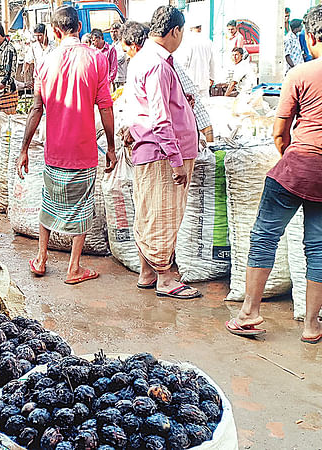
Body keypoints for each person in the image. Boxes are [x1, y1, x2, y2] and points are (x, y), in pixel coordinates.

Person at [226, 5, 322, 342]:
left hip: (298, 165)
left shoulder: (300, 75)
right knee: (319, 247)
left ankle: (249, 313)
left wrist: (289, 158)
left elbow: (279, 133)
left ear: (311, 38)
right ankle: (312, 325)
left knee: (265, 235)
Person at [18, 5, 116, 283]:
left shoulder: (46, 61)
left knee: (49, 203)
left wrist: (24, 149)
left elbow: (36, 108)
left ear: (55, 31)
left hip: (54, 151)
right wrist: (110, 146)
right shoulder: (96, 58)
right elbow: (106, 108)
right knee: (82, 207)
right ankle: (73, 267)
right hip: (83, 151)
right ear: (80, 28)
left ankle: (41, 258)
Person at [126, 6, 201, 299]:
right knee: (163, 215)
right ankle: (166, 279)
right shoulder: (157, 64)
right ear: (175, 31)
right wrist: (176, 159)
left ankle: (148, 272)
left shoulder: (142, 59)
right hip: (161, 152)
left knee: (149, 212)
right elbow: (159, 118)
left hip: (150, 149)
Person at [122, 21, 214, 144]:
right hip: (170, 139)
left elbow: (160, 116)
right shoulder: (154, 62)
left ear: (134, 46)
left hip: (171, 142)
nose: (127, 55)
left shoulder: (158, 64)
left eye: (125, 50)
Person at [174, 23, 216, 98]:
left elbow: (183, 63)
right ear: (200, 28)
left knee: (192, 106)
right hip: (204, 82)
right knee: (205, 106)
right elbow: (212, 62)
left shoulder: (187, 42)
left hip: (190, 82)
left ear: (190, 29)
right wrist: (212, 77)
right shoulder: (208, 42)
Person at [111, 22, 128, 90]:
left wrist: (112, 62)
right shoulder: (112, 45)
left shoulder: (122, 44)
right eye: (112, 31)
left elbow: (122, 58)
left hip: (121, 77)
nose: (113, 34)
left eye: (115, 31)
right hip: (114, 78)